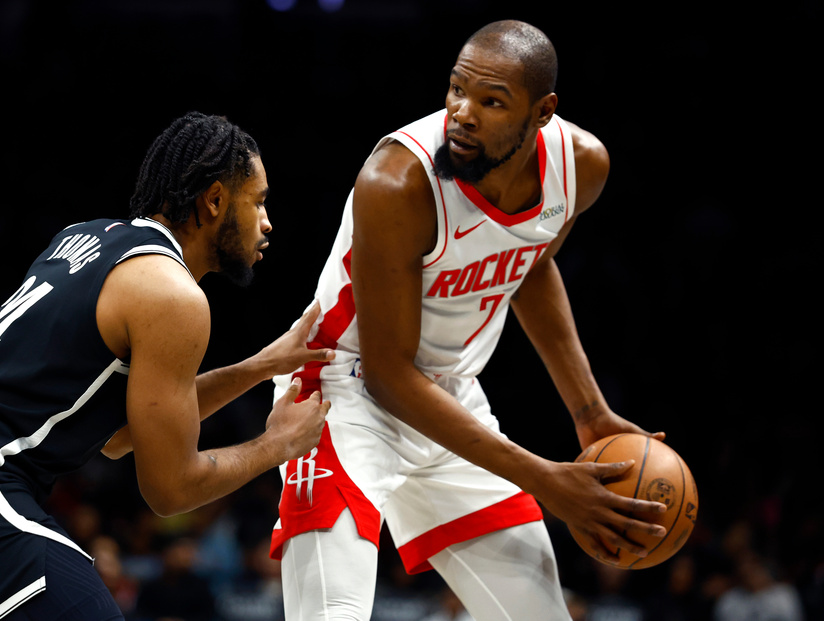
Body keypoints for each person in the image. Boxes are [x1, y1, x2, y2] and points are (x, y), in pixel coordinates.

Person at [0, 111, 333, 621]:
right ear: (215, 200)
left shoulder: (87, 237)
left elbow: (117, 436)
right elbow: (172, 488)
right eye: (260, 201)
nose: (268, 221)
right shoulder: (174, 296)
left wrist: (259, 366)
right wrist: (280, 445)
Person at [269, 21, 669, 620]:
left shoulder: (579, 166)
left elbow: (530, 265)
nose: (462, 112)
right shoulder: (397, 182)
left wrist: (590, 414)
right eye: (457, 90)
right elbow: (386, 376)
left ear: (543, 112)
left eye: (491, 101)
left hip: (447, 395)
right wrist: (547, 480)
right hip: (339, 394)